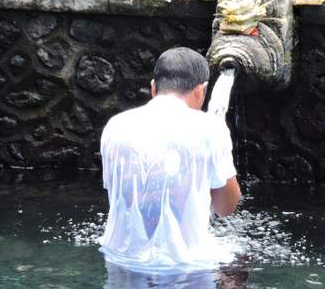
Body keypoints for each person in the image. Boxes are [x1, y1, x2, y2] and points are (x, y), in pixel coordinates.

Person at [99, 47, 242, 271]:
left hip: (121, 261)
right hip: (186, 268)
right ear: (201, 91)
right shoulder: (210, 129)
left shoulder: (115, 126)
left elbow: (122, 192)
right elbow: (225, 207)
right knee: (239, 272)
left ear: (153, 88)